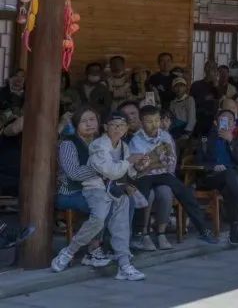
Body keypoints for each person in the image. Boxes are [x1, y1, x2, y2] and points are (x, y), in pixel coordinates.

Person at [51, 110, 146, 280]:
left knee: (123, 214)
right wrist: (124, 164)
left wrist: (138, 167)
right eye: (113, 125)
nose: (117, 129)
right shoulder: (90, 144)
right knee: (100, 216)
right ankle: (77, 250)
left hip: (111, 188)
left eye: (122, 125)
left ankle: (124, 263)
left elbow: (125, 171)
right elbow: (97, 172)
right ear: (106, 127)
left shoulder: (122, 146)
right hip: (84, 189)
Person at [130, 105, 218, 248]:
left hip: (163, 174)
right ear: (141, 122)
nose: (154, 125)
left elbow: (170, 161)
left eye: (157, 120)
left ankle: (202, 230)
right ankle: (139, 234)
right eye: (149, 121)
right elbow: (141, 166)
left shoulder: (165, 135)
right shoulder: (136, 140)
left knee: (185, 192)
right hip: (143, 176)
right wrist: (157, 158)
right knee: (143, 196)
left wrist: (154, 159)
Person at [195, 109, 238, 245]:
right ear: (215, 122)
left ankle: (234, 230)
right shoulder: (205, 139)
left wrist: (230, 141)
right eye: (223, 119)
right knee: (230, 176)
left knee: (230, 182)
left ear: (234, 123)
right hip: (212, 177)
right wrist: (213, 166)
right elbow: (199, 161)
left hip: (231, 179)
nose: (227, 122)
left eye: (230, 119)